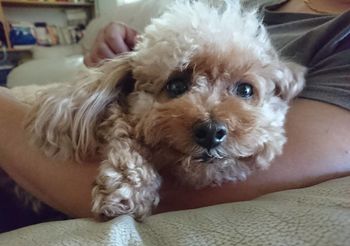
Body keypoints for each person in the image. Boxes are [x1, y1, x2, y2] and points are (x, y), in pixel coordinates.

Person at [0, 0, 349, 230]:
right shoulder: (249, 7)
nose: (211, 121)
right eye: (180, 86)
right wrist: (119, 54)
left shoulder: (339, 36)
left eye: (244, 90)